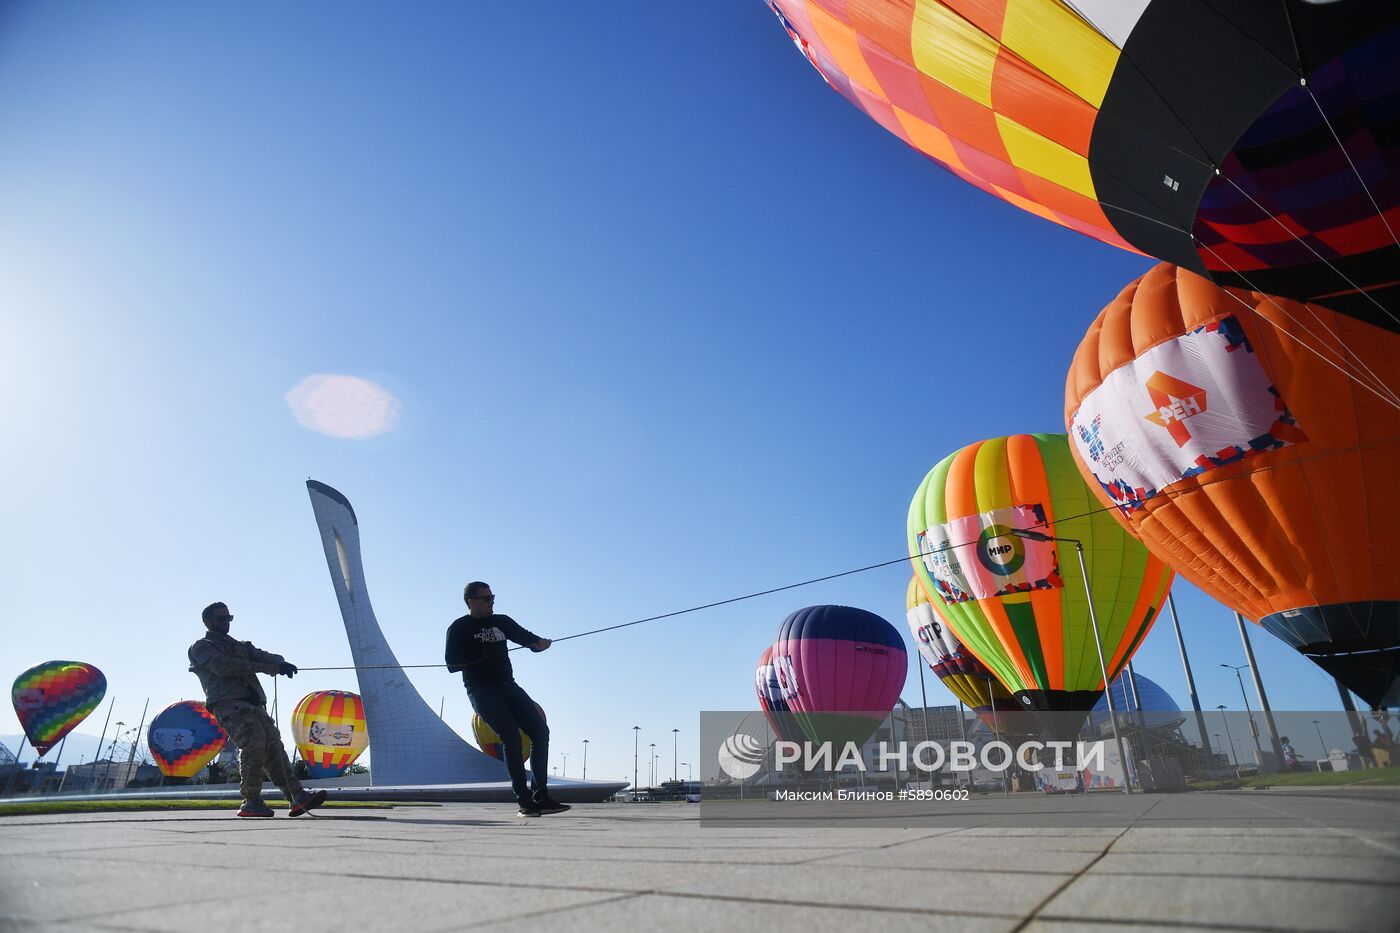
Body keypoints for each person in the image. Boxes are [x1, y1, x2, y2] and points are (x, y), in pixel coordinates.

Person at [188, 602, 327, 818]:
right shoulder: (201, 647)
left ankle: (297, 796)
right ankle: (250, 800)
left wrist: (280, 663)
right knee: (253, 743)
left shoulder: (241, 646)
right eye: (221, 619)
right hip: (229, 704)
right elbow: (224, 666)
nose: (226, 623)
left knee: (274, 746)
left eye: (229, 618)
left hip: (253, 703)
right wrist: (268, 668)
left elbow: (263, 655)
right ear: (207, 622)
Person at [446, 582, 569, 817]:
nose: (492, 601)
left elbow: (525, 638)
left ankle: (541, 796)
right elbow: (452, 663)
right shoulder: (459, 627)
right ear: (471, 601)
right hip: (481, 690)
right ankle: (524, 802)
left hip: (508, 687)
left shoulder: (501, 621)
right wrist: (482, 654)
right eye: (486, 598)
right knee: (510, 736)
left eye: (493, 597)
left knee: (540, 732)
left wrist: (539, 644)